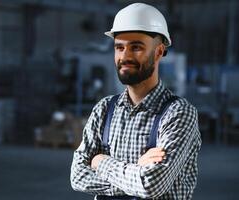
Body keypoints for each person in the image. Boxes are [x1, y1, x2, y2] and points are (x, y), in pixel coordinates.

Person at [70, 3, 201, 200]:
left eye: (136, 47)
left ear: (158, 52)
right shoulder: (104, 109)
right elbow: (77, 176)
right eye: (119, 47)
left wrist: (100, 161)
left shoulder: (179, 113)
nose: (125, 56)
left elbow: (151, 186)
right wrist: (137, 172)